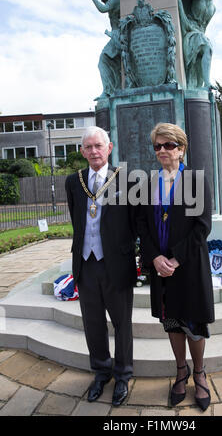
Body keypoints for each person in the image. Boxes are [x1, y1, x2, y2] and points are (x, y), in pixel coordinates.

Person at [137, 123, 215, 411]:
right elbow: (142, 225)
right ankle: (180, 371)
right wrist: (155, 257)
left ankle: (199, 372)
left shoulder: (196, 180)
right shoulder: (147, 183)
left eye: (168, 145)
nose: (162, 151)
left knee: (193, 323)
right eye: (157, 146)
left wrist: (177, 258)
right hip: (162, 269)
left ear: (181, 149)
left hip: (189, 265)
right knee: (172, 323)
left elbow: (202, 225)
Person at [65, 126, 137, 407]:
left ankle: (122, 374)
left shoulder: (128, 179)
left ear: (109, 148)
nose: (94, 151)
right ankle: (101, 371)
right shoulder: (74, 181)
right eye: (88, 147)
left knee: (122, 324)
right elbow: (78, 219)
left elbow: (136, 221)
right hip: (85, 264)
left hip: (116, 264)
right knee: (93, 324)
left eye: (99, 146)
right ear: (82, 152)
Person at [177, 0, 219, 89]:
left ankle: (204, 83)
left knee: (204, 53)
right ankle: (207, 82)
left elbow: (205, 26)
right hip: (190, 30)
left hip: (200, 33)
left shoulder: (213, 8)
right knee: (207, 48)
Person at [82, 0, 121, 98]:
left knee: (103, 60)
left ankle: (108, 91)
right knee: (111, 63)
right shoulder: (113, 0)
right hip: (116, 35)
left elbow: (102, 9)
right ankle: (114, 89)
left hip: (117, 36)